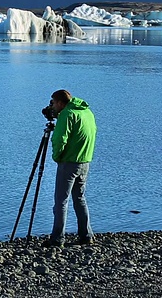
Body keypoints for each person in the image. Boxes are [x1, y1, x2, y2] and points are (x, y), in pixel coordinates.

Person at [43, 89, 97, 247]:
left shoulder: (67, 115)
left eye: (53, 103)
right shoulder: (86, 112)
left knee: (61, 201)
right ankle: (86, 235)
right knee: (79, 198)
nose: (52, 107)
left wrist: (57, 157)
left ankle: (57, 238)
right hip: (85, 161)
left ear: (60, 102)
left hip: (69, 162)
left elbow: (60, 138)